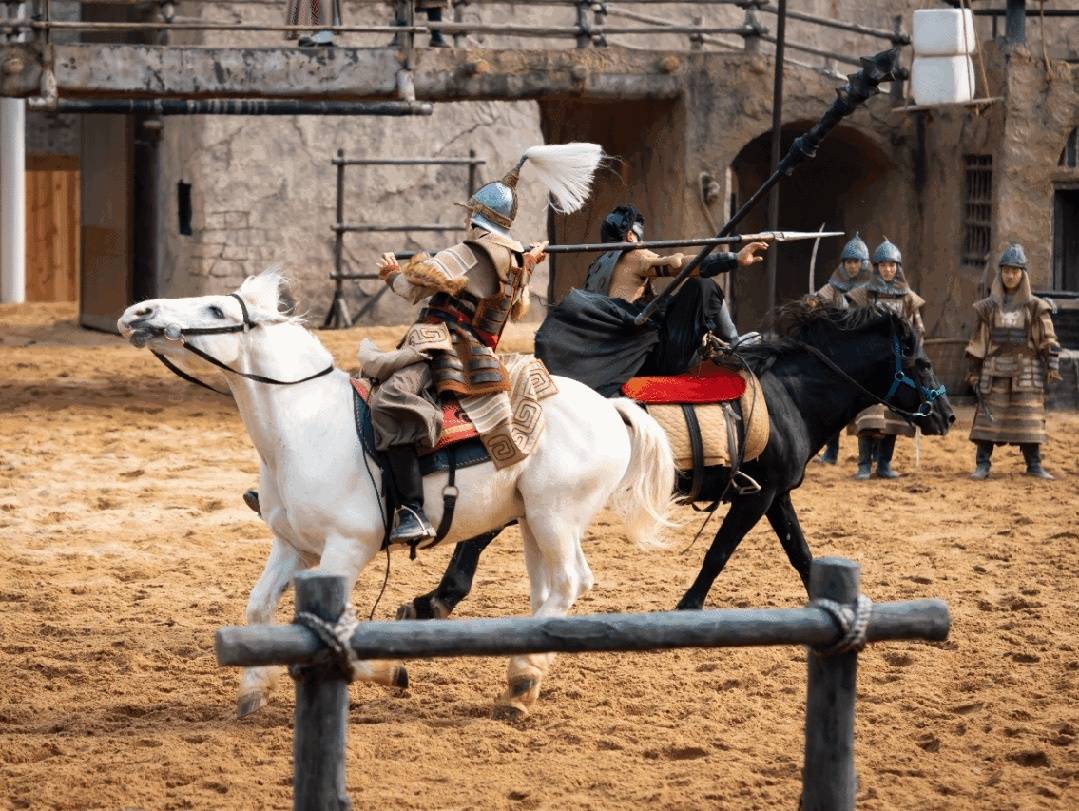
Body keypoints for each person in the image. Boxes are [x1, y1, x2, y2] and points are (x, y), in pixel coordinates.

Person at [367, 143, 602, 545]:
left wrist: (392, 273)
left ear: (476, 217)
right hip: (480, 354)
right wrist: (527, 266)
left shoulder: (472, 250)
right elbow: (508, 309)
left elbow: (414, 287)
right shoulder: (516, 262)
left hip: (444, 350)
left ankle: (410, 509)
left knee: (391, 402)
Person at [535, 204, 767, 396]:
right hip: (652, 357)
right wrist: (733, 258)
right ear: (629, 236)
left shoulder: (595, 269)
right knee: (703, 286)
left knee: (665, 303)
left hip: (619, 360)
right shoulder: (634, 255)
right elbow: (680, 265)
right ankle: (734, 343)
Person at [966, 243, 1062, 480]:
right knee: (988, 419)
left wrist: (1052, 363)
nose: (1010, 276)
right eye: (1006, 270)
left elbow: (1047, 337)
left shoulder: (1035, 306)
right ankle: (982, 464)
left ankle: (1034, 464)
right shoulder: (988, 308)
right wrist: (974, 371)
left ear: (1023, 274)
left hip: (1026, 370)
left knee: (1028, 419)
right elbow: (979, 341)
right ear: (1000, 273)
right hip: (994, 369)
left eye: (1015, 271)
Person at [845, 238, 925, 480]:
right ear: (876, 267)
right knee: (869, 415)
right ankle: (863, 465)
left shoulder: (908, 298)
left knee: (893, 417)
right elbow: (851, 325)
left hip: (898, 366)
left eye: (892, 265)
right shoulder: (863, 295)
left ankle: (884, 465)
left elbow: (918, 329)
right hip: (870, 364)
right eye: (883, 265)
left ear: (897, 267)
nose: (888, 270)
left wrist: (915, 355)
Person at [811, 232, 871, 464]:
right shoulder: (834, 286)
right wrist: (812, 302)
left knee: (868, 410)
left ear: (863, 263)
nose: (852, 266)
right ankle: (831, 452)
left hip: (863, 351)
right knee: (833, 404)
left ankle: (867, 459)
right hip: (839, 352)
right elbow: (819, 298)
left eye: (855, 261)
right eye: (848, 261)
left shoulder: (872, 288)